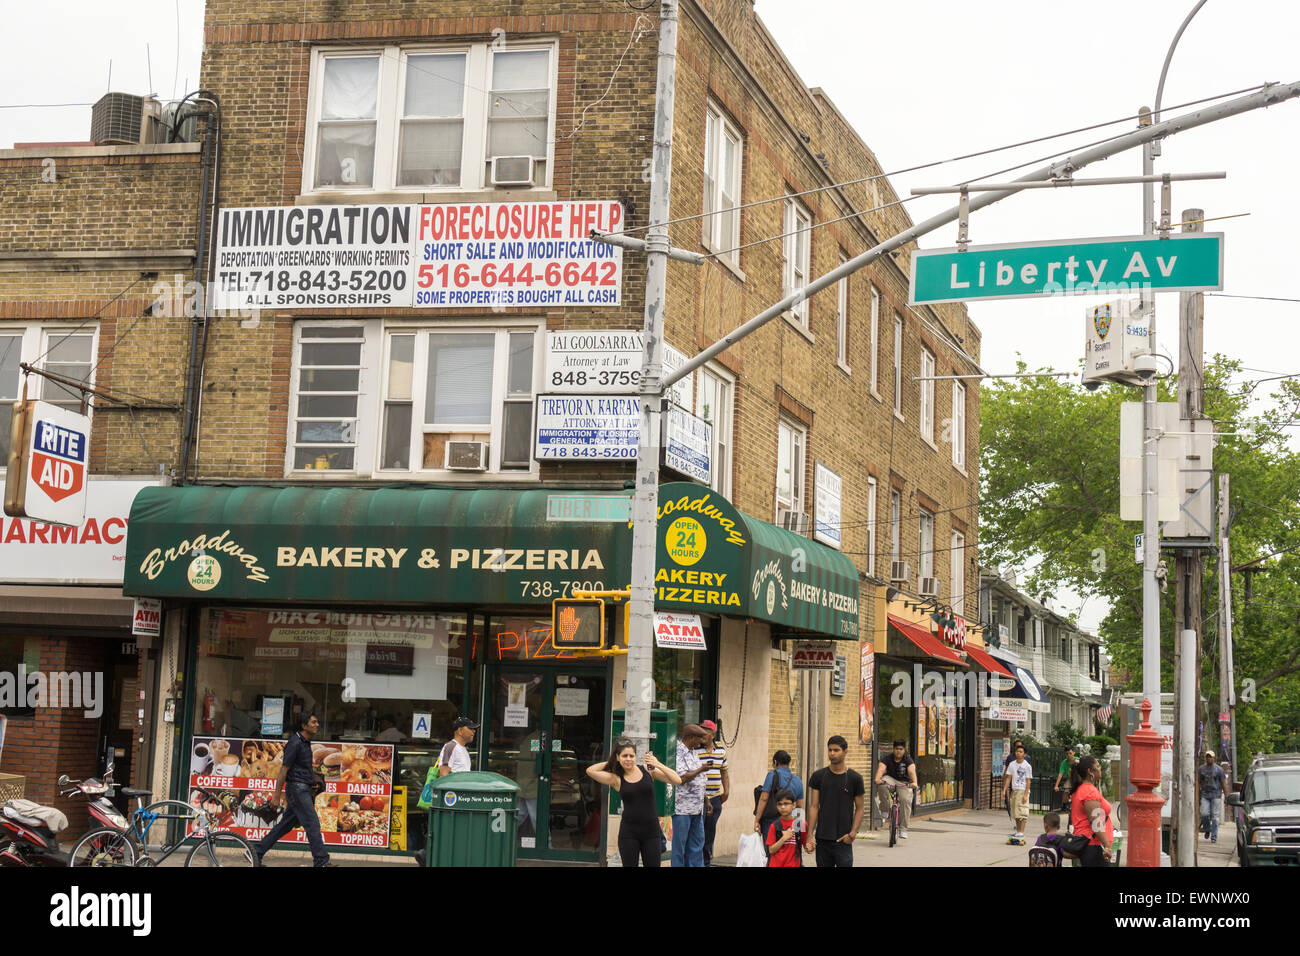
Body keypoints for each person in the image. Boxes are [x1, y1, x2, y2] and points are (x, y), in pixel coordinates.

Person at [586, 738, 681, 867]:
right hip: (629, 833)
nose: (629, 759)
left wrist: (658, 764)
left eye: (632, 756)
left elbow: (677, 780)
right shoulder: (616, 778)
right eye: (624, 756)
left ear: (636, 757)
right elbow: (590, 771)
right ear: (618, 757)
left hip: (652, 832)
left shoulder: (648, 770)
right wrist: (611, 761)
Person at [254, 711, 332, 867]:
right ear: (304, 725)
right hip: (297, 790)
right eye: (314, 722)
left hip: (302, 788)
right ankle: (321, 861)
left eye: (317, 722)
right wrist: (276, 796)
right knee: (313, 823)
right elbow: (283, 770)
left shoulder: (304, 742)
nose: (317, 725)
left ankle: (256, 852)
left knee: (285, 825)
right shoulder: (295, 743)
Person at [805, 735, 866, 867]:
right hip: (822, 839)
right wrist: (810, 835)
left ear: (845, 751)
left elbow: (860, 808)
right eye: (830, 750)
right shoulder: (818, 776)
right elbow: (814, 806)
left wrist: (853, 833)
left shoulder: (855, 778)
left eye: (836, 750)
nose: (832, 754)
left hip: (844, 840)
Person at [672, 724, 712, 867]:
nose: (701, 741)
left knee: (697, 845)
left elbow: (700, 781)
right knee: (680, 847)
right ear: (690, 738)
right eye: (699, 738)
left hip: (697, 808)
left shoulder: (694, 752)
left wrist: (706, 800)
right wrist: (701, 769)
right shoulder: (678, 753)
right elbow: (681, 777)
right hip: (682, 809)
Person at [1069, 754, 1114, 866]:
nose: (1100, 768)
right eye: (1098, 766)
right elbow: (1096, 822)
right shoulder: (1089, 792)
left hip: (1091, 845)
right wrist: (1107, 845)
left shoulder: (1083, 789)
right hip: (1094, 846)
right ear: (1090, 771)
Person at [696, 720, 730, 866]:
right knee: (698, 833)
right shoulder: (695, 750)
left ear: (713, 734)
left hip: (715, 798)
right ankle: (697, 862)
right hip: (699, 799)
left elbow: (724, 772)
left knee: (710, 832)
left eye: (705, 731)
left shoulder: (721, 750)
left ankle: (706, 862)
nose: (701, 734)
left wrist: (726, 792)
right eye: (700, 730)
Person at [754, 750, 804, 842]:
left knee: (772, 851)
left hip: (772, 822)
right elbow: (800, 806)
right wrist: (799, 828)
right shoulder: (798, 780)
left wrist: (757, 820)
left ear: (775, 762)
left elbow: (764, 798)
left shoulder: (772, 775)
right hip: (791, 824)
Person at [874, 738, 918, 838]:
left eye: (901, 749)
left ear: (904, 750)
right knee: (882, 784)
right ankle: (885, 809)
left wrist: (914, 782)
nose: (898, 751)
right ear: (893, 749)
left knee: (906, 801)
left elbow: (911, 771)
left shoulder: (908, 760)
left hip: (904, 783)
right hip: (890, 780)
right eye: (896, 749)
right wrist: (877, 778)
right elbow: (881, 768)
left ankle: (903, 829)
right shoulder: (887, 758)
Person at [764, 790, 803, 867]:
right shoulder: (774, 826)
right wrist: (784, 838)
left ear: (794, 804)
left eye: (786, 803)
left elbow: (804, 844)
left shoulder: (799, 824)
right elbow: (771, 850)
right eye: (779, 804)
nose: (782, 807)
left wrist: (809, 845)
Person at [1002, 744, 1032, 842]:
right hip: (1014, 790)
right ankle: (1018, 831)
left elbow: (1028, 781)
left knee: (1022, 812)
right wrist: (1004, 790)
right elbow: (1008, 778)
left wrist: (1026, 794)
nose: (1018, 753)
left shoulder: (1027, 766)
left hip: (1023, 790)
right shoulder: (1012, 764)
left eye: (1020, 752)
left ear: (1024, 754)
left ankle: (1022, 832)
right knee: (1015, 812)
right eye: (1017, 751)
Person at [1198, 750, 1229, 843]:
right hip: (1205, 794)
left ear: (1213, 758)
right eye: (1207, 757)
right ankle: (1207, 829)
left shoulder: (1219, 770)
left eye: (1210, 757)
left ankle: (1214, 836)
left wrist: (1226, 795)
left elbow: (1223, 783)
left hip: (1216, 794)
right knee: (1204, 813)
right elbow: (1199, 782)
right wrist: (1197, 795)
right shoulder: (1201, 769)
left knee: (1215, 816)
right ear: (1205, 758)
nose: (1209, 758)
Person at [1054, 745, 1077, 812]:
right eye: (1067, 754)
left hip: (1078, 779)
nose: (1069, 755)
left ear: (1074, 753)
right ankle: (1064, 806)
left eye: (1070, 753)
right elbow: (1060, 775)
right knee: (1065, 791)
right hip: (1070, 779)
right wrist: (1056, 786)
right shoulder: (1064, 763)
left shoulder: (1077, 760)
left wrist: (1078, 763)